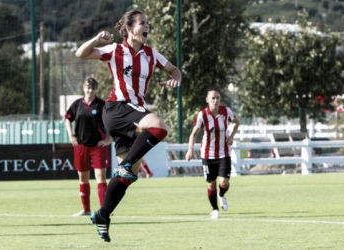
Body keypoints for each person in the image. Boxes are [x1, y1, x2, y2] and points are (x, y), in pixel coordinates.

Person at [75, 9, 181, 242]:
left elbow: (175, 69)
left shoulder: (151, 55)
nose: (147, 27)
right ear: (130, 27)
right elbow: (81, 54)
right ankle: (127, 165)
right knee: (160, 127)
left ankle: (103, 214)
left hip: (130, 114)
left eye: (148, 23)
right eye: (142, 23)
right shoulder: (116, 50)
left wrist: (176, 78)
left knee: (129, 174)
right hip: (117, 108)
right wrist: (96, 39)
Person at [185, 88, 240, 219]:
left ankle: (221, 195)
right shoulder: (202, 115)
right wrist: (190, 149)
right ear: (207, 100)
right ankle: (215, 209)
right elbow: (194, 134)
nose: (215, 101)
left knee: (224, 182)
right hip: (207, 154)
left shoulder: (226, 111)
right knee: (211, 184)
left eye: (217, 98)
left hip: (224, 152)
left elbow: (237, 122)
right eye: (213, 98)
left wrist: (231, 136)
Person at [65, 77, 112, 217]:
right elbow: (68, 118)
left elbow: (114, 121)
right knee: (83, 178)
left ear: (96, 89)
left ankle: (104, 210)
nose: (90, 90)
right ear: (84, 88)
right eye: (88, 87)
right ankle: (86, 210)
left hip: (98, 146)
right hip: (81, 146)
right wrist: (71, 135)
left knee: (101, 177)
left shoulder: (102, 105)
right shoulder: (77, 104)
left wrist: (109, 139)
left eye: (92, 88)